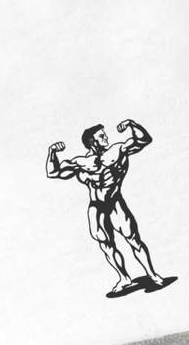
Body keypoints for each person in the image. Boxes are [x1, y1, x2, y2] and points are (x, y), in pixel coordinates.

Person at [46, 119, 168, 297]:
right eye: (101, 136)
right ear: (92, 141)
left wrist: (132, 124)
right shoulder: (80, 162)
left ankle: (152, 275)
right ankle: (124, 278)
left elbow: (144, 140)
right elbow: (53, 172)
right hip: (96, 207)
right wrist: (52, 152)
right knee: (106, 244)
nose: (106, 138)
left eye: (104, 135)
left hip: (115, 203)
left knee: (133, 239)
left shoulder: (117, 151)